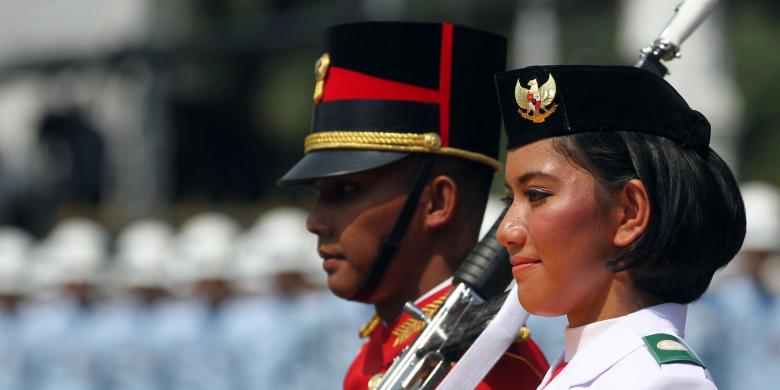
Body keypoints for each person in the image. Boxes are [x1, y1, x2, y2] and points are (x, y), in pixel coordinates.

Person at [279, 21, 548, 389]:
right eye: (319, 194)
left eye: (345, 191)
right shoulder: (381, 348)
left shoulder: (486, 372)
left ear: (437, 202)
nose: (315, 221)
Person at [493, 65, 745, 389]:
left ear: (629, 213)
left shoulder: (659, 381)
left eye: (537, 195)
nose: (506, 231)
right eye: (508, 200)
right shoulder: (599, 368)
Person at [686, 181, 780, 390]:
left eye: (765, 254)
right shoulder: (714, 303)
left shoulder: (772, 301)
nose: (760, 260)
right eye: (755, 253)